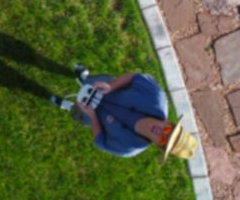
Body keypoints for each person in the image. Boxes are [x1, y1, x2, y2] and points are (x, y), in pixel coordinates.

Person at [50, 65, 197, 160]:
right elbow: (134, 77)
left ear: (159, 146)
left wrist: (93, 117)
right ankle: (84, 77)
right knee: (91, 81)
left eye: (164, 139)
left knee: (77, 114)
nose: (160, 132)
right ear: (169, 123)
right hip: (105, 86)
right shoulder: (156, 98)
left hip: (90, 116)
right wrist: (110, 86)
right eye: (167, 130)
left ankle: (68, 106)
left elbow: (100, 141)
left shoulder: (128, 148)